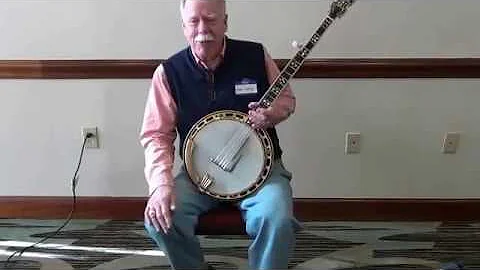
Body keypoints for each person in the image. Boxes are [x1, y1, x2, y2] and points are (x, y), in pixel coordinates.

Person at [139, 0, 299, 269]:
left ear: (225, 22)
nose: (203, 29)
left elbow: (286, 99)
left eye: (211, 19)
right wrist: (161, 186)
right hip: (198, 176)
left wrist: (272, 114)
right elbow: (157, 135)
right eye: (194, 21)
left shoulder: (255, 55)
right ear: (183, 26)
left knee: (276, 219)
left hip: (262, 172)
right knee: (160, 219)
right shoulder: (168, 73)